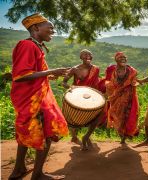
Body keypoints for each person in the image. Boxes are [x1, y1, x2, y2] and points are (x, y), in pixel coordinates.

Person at [9, 13, 69, 180]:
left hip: (34, 99)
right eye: (49, 27)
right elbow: (20, 75)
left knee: (28, 133)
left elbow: (32, 72)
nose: (53, 30)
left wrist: (48, 76)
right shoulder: (27, 45)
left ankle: (19, 169)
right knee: (45, 134)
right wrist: (51, 71)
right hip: (33, 101)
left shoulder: (35, 46)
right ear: (36, 28)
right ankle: (37, 175)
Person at [62, 49, 105, 150]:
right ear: (80, 57)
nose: (87, 56)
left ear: (91, 57)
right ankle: (74, 137)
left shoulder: (96, 69)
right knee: (73, 118)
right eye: (84, 55)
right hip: (78, 96)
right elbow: (64, 82)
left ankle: (86, 136)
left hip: (91, 97)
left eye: (89, 55)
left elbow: (96, 82)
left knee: (98, 115)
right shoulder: (75, 69)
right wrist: (70, 87)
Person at [105, 52, 139, 144]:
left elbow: (134, 81)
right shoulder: (112, 70)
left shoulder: (132, 71)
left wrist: (133, 83)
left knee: (128, 116)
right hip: (116, 97)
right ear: (116, 60)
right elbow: (108, 82)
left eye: (124, 57)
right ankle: (121, 135)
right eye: (120, 57)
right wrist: (111, 89)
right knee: (116, 116)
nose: (123, 59)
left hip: (129, 97)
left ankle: (125, 137)